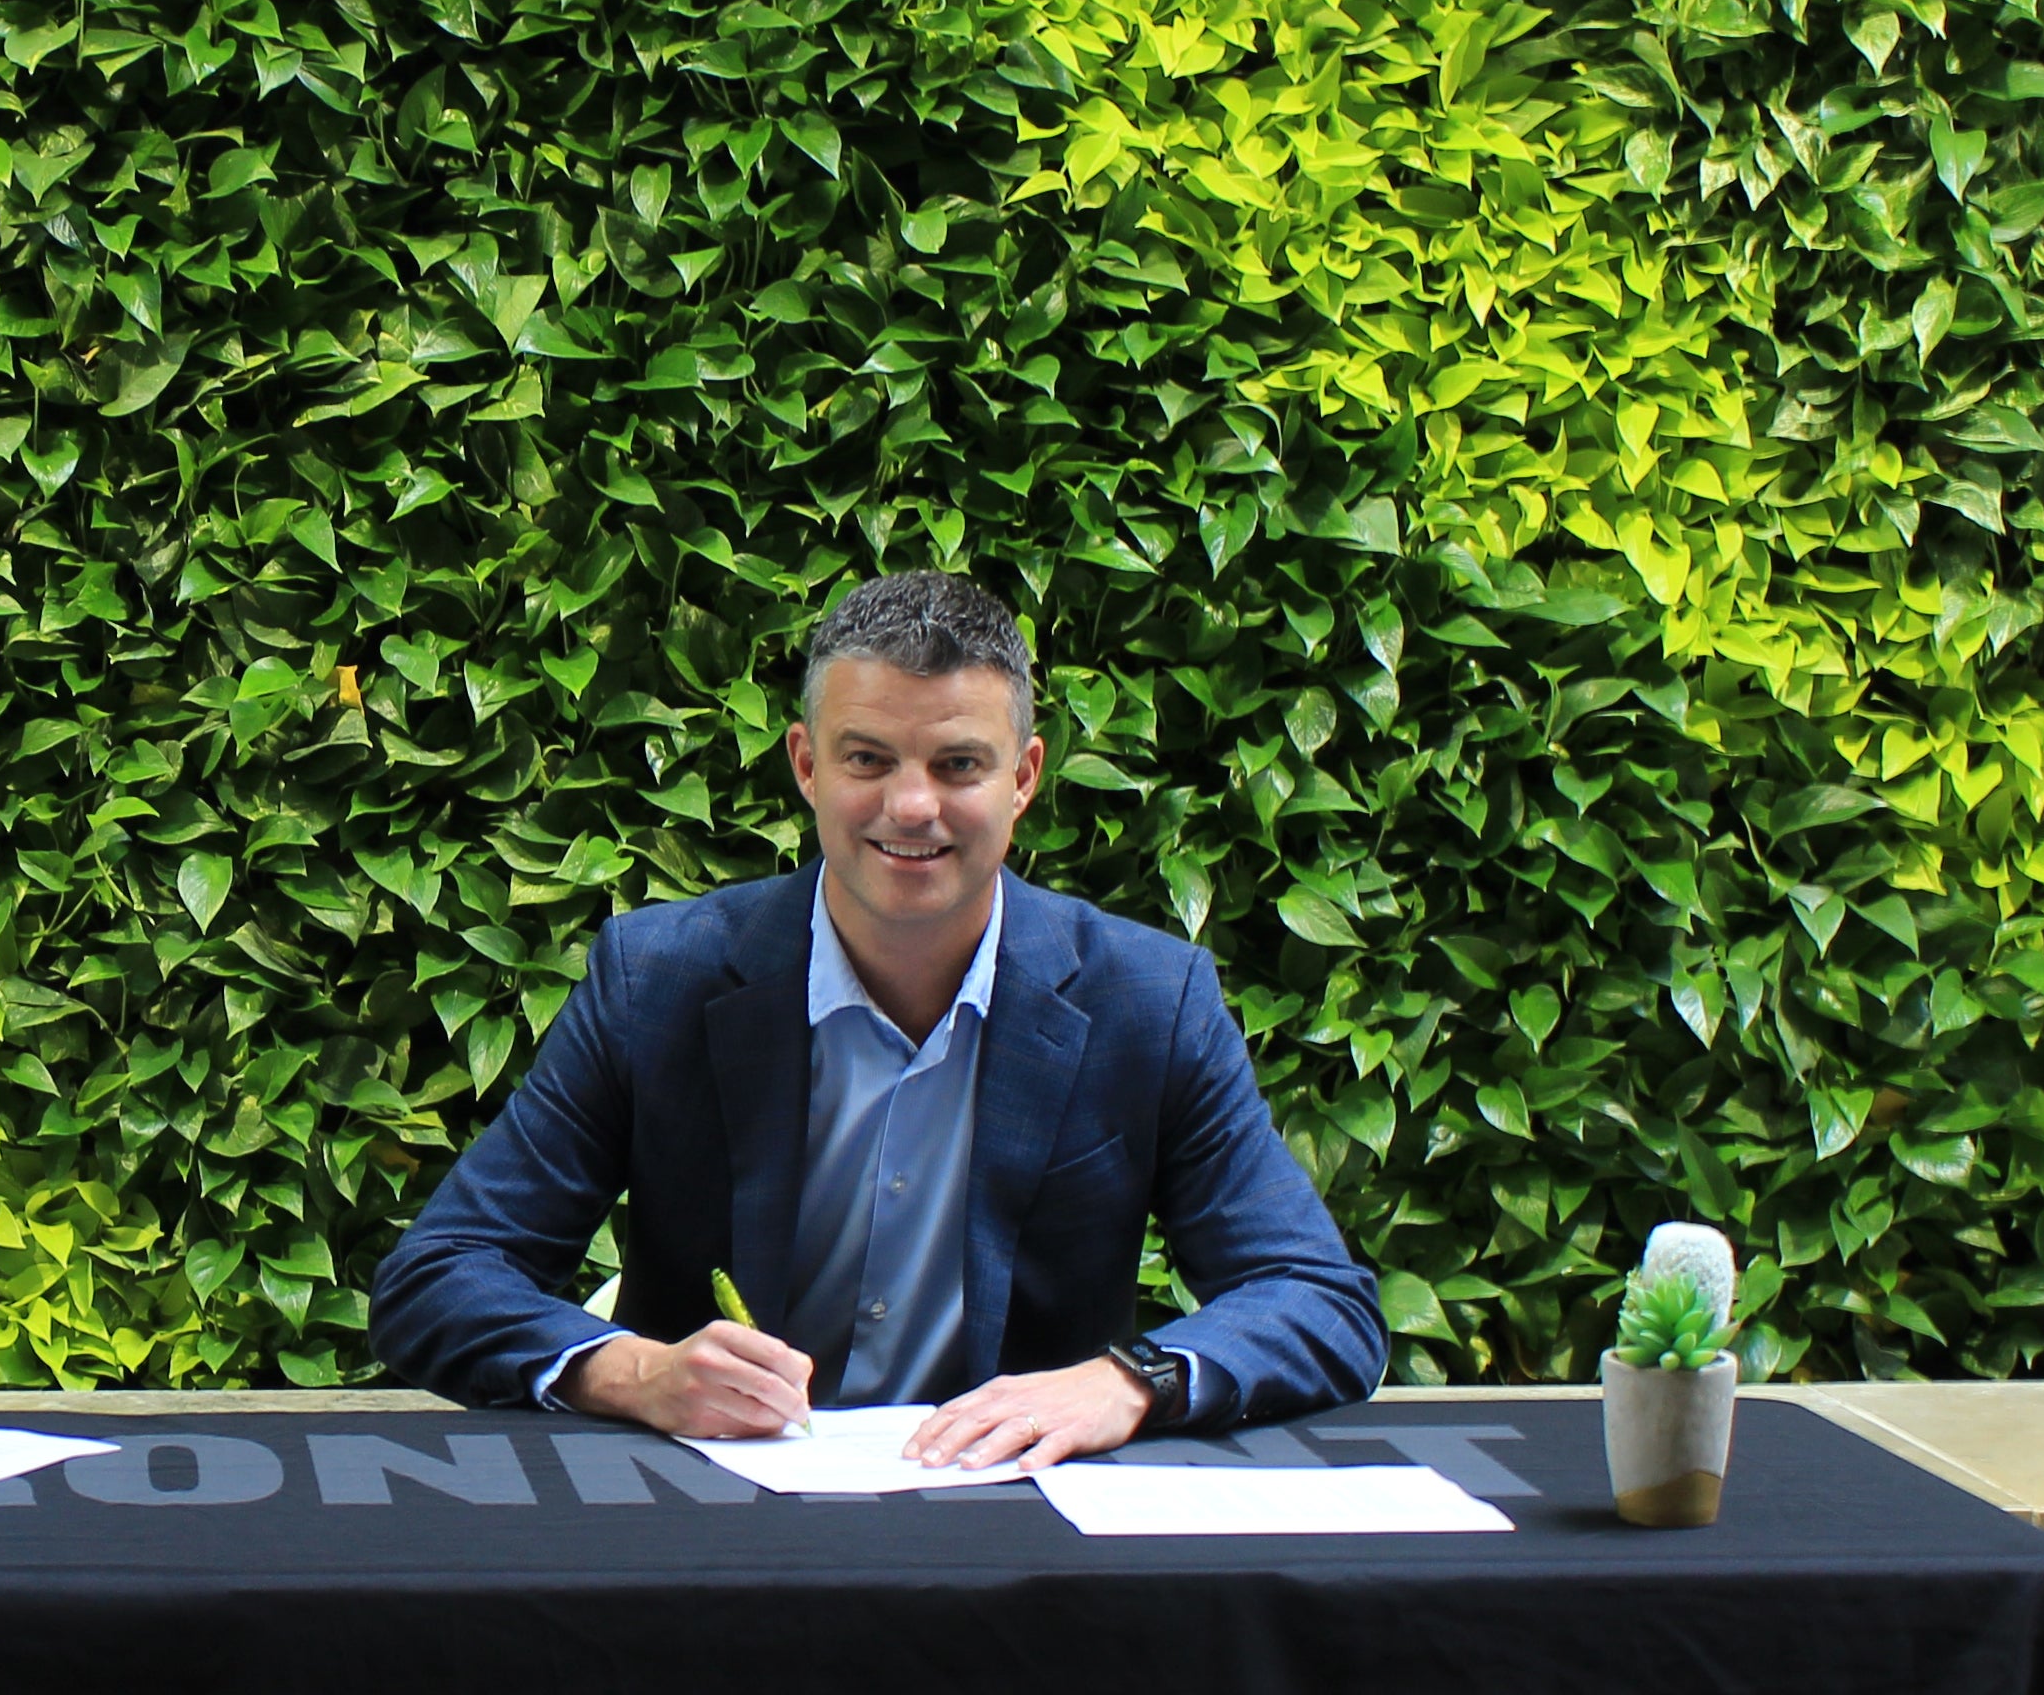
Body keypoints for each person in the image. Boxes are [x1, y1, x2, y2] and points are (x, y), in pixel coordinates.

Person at [371, 571, 1380, 1468]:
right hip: (703, 1529)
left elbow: (1320, 1300)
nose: (909, 805)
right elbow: (440, 1277)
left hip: (1021, 1547)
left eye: (957, 766)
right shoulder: (659, 981)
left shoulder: (1146, 1001)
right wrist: (631, 1374)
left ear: (1024, 778)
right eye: (868, 759)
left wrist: (1127, 1381)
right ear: (806, 766)